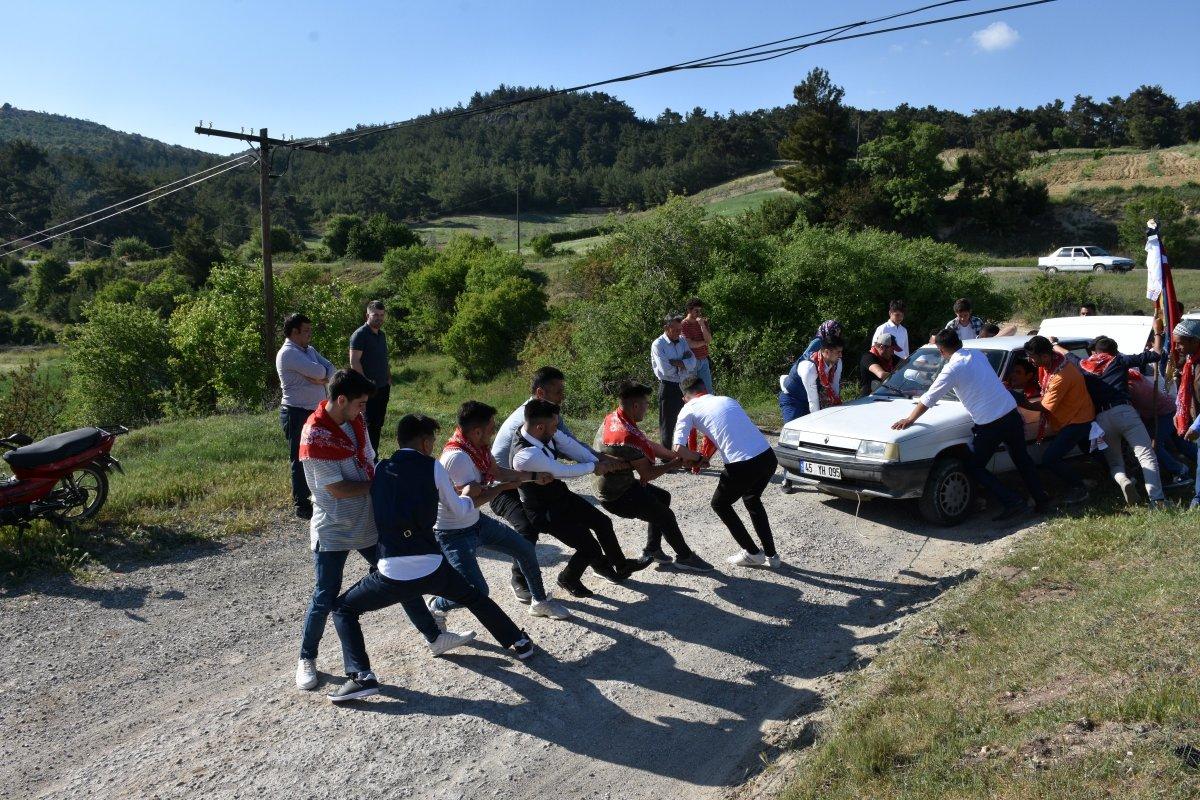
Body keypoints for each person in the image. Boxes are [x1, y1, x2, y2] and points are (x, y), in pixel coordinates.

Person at [326, 414, 535, 703]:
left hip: (391, 572)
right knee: (475, 596)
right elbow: (461, 511)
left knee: (343, 609)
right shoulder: (433, 467)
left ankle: (362, 676)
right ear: (425, 442)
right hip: (432, 566)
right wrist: (465, 493)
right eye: (432, 443)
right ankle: (519, 642)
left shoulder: (380, 468)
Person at [427, 401, 572, 625]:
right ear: (477, 431)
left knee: (524, 548)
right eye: (491, 428)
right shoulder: (458, 458)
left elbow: (497, 473)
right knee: (477, 590)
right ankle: (437, 605)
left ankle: (539, 602)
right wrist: (502, 489)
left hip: (474, 522)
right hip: (453, 532)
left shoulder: (475, 448)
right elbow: (471, 501)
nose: (494, 432)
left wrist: (534, 477)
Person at [892, 330, 1050, 519]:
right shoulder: (977, 355)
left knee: (974, 466)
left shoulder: (952, 368)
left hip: (991, 423)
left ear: (941, 350)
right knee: (1022, 459)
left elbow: (930, 397)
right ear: (959, 342)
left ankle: (1013, 502)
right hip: (1010, 413)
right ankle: (1041, 500)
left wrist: (910, 419)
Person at [492, 366, 612, 602]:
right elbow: (567, 459)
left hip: (528, 479)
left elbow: (569, 445)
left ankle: (597, 561)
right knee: (527, 527)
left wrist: (598, 459)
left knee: (576, 515)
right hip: (503, 484)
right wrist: (598, 462)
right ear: (540, 392)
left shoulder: (545, 413)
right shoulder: (532, 418)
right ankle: (519, 579)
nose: (562, 396)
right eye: (558, 391)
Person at [294, 369, 381, 692]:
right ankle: (306, 658)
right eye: (359, 403)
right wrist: (378, 485)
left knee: (396, 572)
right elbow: (340, 489)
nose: (363, 410)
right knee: (325, 595)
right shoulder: (316, 436)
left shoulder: (355, 421)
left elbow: (369, 459)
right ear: (341, 399)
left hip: (366, 519)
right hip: (333, 527)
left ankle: (433, 634)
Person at [511, 399, 649, 597]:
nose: (556, 430)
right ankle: (568, 578)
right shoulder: (525, 455)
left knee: (602, 522)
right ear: (540, 427)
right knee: (589, 547)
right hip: (544, 511)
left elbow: (571, 446)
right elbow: (561, 471)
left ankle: (621, 566)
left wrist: (598, 460)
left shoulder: (541, 431)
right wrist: (595, 467)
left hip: (560, 496)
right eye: (553, 426)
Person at [593, 381, 714, 571]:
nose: (647, 408)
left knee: (663, 498)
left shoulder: (616, 418)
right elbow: (647, 474)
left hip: (616, 484)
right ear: (635, 406)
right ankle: (685, 557)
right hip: (615, 495)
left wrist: (679, 455)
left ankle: (653, 549)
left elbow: (648, 445)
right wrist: (676, 463)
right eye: (646, 404)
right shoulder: (627, 437)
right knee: (665, 515)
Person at [673, 377, 780, 568]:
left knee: (720, 504)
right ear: (705, 389)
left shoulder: (688, 409)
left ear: (684, 398)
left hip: (742, 464)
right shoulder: (726, 399)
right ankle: (772, 556)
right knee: (752, 498)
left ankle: (752, 553)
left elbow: (678, 448)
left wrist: (698, 459)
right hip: (767, 457)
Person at [1079, 324, 1168, 507]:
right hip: (1124, 411)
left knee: (1115, 463)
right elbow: (1156, 354)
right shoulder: (1118, 360)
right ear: (1115, 351)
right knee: (1145, 454)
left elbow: (1068, 356)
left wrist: (1054, 344)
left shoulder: (1084, 366)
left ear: (1094, 352)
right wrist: (1157, 332)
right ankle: (1157, 500)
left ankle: (1123, 480)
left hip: (1101, 418)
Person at [276, 312, 334, 520]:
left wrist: (322, 376)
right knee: (300, 459)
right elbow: (321, 373)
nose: (310, 334)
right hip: (296, 412)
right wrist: (321, 376)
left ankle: (317, 497)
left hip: (314, 411)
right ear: (294, 332)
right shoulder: (288, 353)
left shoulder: (308, 350)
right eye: (306, 330)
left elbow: (331, 370)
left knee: (318, 455)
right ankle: (302, 505)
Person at [1024, 335, 1095, 505]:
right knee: (1095, 453)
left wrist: (1019, 401)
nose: (1030, 361)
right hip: (1073, 417)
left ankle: (1080, 488)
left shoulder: (1062, 375)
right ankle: (1120, 475)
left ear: (1045, 356)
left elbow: (1044, 406)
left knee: (1050, 459)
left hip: (1077, 420)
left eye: (1032, 357)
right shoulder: (1051, 362)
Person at [349, 300, 390, 454]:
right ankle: (366, 456)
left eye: (381, 315)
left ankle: (374, 455)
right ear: (367, 315)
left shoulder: (382, 335)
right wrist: (366, 385)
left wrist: (388, 377)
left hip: (383, 386)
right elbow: (354, 362)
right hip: (368, 390)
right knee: (367, 424)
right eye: (375, 315)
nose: (379, 318)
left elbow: (384, 358)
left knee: (378, 423)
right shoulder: (360, 335)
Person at [651, 314, 697, 447]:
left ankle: (686, 456)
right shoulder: (658, 345)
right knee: (668, 424)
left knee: (685, 422)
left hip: (684, 387)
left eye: (680, 329)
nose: (679, 332)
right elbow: (666, 370)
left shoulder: (682, 340)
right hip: (668, 387)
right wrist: (684, 364)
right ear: (666, 328)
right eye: (675, 329)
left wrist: (677, 363)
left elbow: (693, 362)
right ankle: (667, 459)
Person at [779, 336, 844, 423]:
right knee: (795, 430)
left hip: (810, 397)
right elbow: (813, 400)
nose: (841, 355)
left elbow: (835, 387)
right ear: (827, 352)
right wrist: (817, 422)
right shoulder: (809, 367)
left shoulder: (837, 362)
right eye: (838, 352)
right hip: (793, 398)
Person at [1171, 319, 1200, 508]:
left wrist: (1197, 425)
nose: (1177, 347)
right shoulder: (1191, 363)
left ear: (1195, 342)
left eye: (1180, 343)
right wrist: (1178, 412)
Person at [681, 298, 714, 392]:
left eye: (700, 311)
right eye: (696, 311)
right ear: (689, 310)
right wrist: (704, 342)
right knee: (692, 391)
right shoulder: (684, 324)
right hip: (691, 361)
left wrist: (702, 325)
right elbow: (690, 344)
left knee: (707, 390)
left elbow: (709, 340)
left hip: (704, 359)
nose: (699, 313)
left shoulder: (703, 322)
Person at [858, 332, 898, 397]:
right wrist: (899, 378)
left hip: (887, 396)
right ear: (882, 347)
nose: (893, 353)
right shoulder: (868, 357)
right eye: (892, 349)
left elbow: (907, 363)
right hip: (869, 399)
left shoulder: (891, 357)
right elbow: (881, 374)